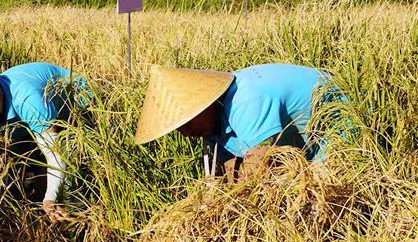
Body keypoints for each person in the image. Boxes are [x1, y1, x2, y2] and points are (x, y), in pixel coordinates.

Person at [0, 61, 88, 233]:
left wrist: (50, 199)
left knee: (71, 183)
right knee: (17, 174)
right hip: (27, 125)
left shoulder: (28, 99)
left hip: (79, 107)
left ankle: (78, 231)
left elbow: (56, 155)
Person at [134, 63, 342, 179]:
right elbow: (230, 170)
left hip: (338, 122)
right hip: (306, 137)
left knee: (323, 191)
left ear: (204, 103)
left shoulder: (245, 102)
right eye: (179, 129)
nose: (186, 132)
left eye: (187, 122)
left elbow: (258, 167)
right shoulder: (214, 124)